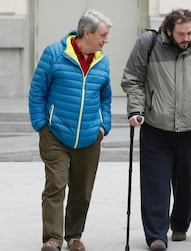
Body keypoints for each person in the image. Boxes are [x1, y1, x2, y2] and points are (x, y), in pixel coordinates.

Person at [120, 8, 191, 251]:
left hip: (189, 129)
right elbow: (132, 78)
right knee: (155, 182)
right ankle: (156, 235)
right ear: (168, 30)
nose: (187, 38)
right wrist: (136, 110)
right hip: (156, 128)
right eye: (181, 33)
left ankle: (180, 224)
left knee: (184, 182)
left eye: (189, 32)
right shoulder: (149, 43)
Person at [28, 10, 112, 251]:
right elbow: (37, 92)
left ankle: (74, 236)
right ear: (87, 33)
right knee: (55, 184)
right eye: (103, 35)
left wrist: (103, 126)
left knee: (82, 190)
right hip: (55, 133)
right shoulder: (54, 54)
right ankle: (52, 238)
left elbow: (106, 97)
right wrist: (42, 126)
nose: (106, 40)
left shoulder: (102, 60)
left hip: (89, 136)